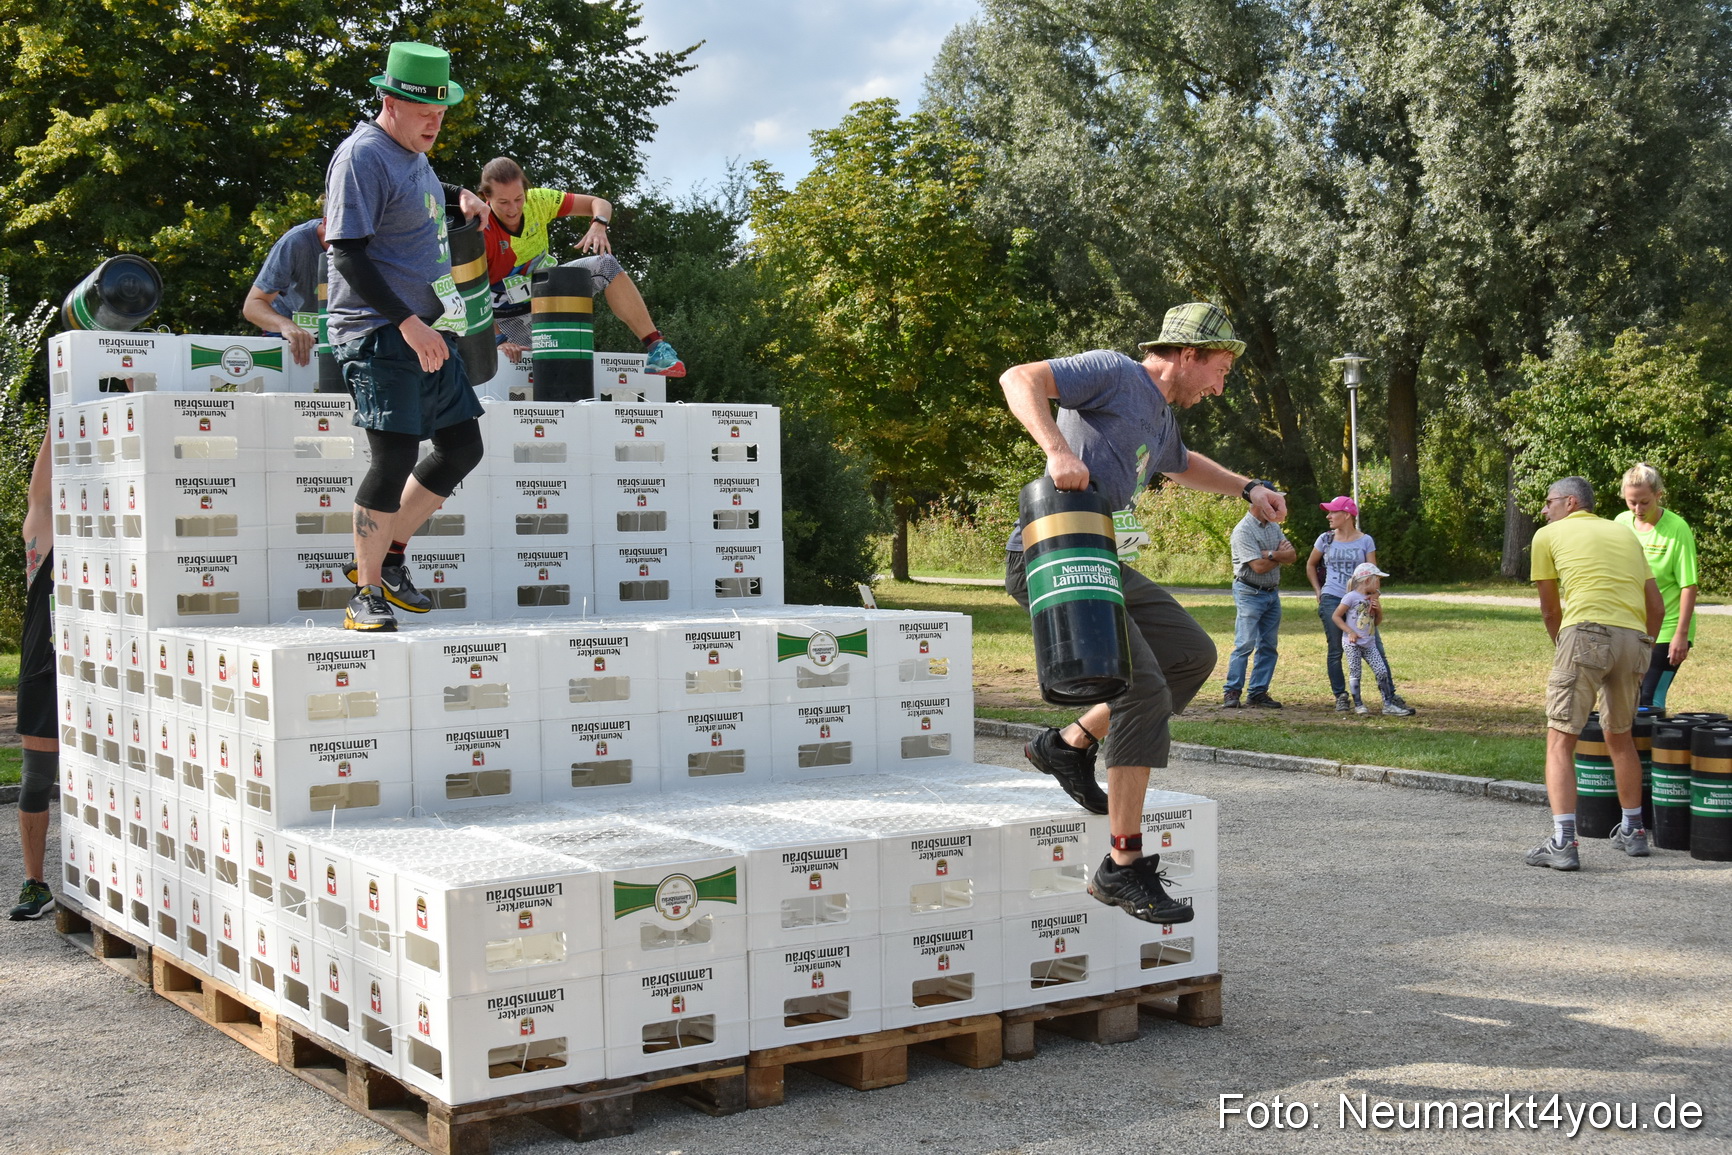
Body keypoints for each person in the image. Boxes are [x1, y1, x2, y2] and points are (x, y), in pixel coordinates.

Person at [1001, 301, 1286, 925]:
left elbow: (1181, 465)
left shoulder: (1159, 415)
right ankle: (1121, 865)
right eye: (1220, 371)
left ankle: (1069, 744)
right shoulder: (1114, 372)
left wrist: (1248, 487)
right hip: (1051, 557)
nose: (1219, 387)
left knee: (1190, 655)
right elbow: (1019, 378)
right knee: (1142, 687)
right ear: (1187, 354)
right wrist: (1057, 450)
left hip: (1098, 560)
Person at [325, 41, 490, 632]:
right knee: (393, 456)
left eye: (441, 114)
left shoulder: (412, 153)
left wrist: (457, 193)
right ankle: (364, 593)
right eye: (425, 113)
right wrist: (407, 322)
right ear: (389, 102)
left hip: (428, 327)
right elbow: (346, 253)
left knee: (462, 447)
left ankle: (390, 557)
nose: (434, 124)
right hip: (377, 331)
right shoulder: (361, 156)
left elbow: (414, 194)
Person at [1526, 476, 1664, 870]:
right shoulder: (1625, 534)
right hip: (1634, 638)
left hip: (1585, 632)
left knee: (1560, 739)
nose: (1544, 510)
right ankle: (1634, 829)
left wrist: (1563, 646)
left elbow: (1550, 609)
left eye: (1549, 501)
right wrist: (1644, 650)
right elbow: (1656, 607)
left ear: (1570, 502)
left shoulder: (1547, 536)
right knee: (1620, 736)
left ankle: (1563, 842)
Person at [476, 157, 683, 376]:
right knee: (551, 375)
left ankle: (657, 348)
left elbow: (599, 203)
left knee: (606, 263)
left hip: (545, 295)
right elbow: (472, 295)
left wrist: (598, 224)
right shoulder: (480, 231)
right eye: (503, 202)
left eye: (519, 199)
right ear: (486, 197)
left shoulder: (538, 200)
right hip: (505, 318)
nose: (513, 209)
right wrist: (497, 340)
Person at [10, 432, 57, 919]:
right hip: (45, 668)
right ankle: (34, 884)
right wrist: (57, 416)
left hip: (108, 673)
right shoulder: (45, 538)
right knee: (37, 778)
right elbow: (39, 495)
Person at [1307, 496, 1410, 713]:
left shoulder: (1365, 541)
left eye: (1333, 512)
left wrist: (1374, 597)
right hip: (1332, 598)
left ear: (1347, 515)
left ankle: (1389, 695)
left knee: (1374, 645)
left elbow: (1373, 573)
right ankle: (1341, 696)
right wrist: (1319, 591)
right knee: (1336, 649)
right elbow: (1310, 564)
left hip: (1360, 601)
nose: (1328, 516)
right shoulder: (1325, 539)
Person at [1614, 463, 1698, 712]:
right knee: (1626, 696)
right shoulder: (1620, 523)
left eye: (1644, 502)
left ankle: (1654, 739)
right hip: (1631, 625)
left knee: (1648, 699)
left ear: (1658, 495)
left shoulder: (1677, 528)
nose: (1638, 509)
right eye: (1631, 502)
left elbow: (1688, 585)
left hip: (1667, 628)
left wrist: (1681, 635)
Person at [1222, 497, 1295, 708]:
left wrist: (1271, 554)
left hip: (1271, 593)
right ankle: (1232, 691)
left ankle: (1257, 692)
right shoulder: (1243, 531)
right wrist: (1279, 556)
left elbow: (1292, 556)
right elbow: (1258, 567)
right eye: (1272, 503)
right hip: (1249, 592)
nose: (1276, 508)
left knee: (1269, 646)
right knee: (1245, 643)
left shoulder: (1273, 527)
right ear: (1257, 502)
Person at [241, 216, 327, 366]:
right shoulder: (294, 242)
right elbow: (253, 305)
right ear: (326, 223)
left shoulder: (370, 242)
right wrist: (285, 325)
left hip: (338, 332)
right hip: (287, 331)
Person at [1331, 562, 1413, 716]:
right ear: (1368, 580)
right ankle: (1358, 705)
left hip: (1369, 644)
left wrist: (1378, 610)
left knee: (1382, 671)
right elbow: (1336, 616)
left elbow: (1376, 622)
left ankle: (1388, 705)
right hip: (1352, 644)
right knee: (1355, 673)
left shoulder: (1372, 598)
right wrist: (1350, 632)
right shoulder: (1350, 597)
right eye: (1378, 580)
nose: (1379, 585)